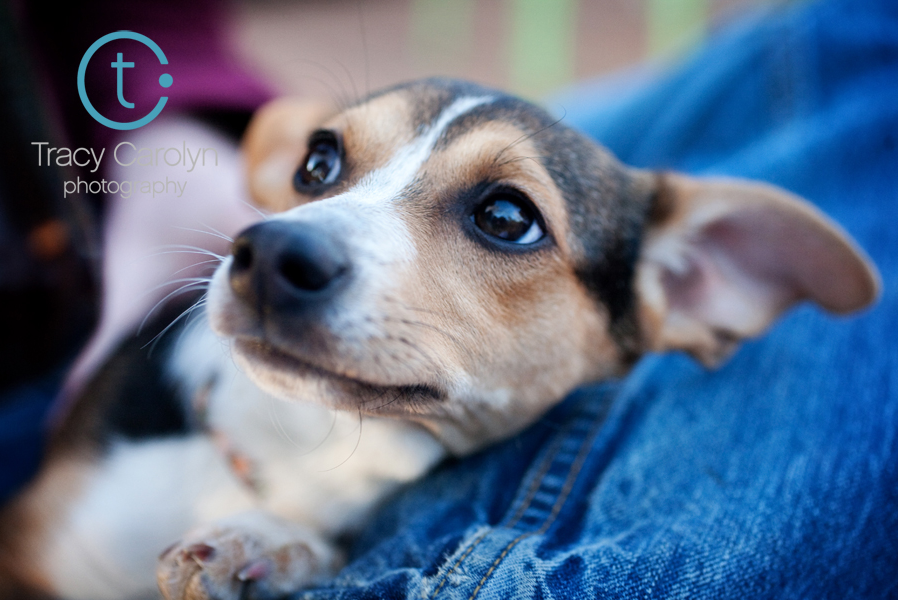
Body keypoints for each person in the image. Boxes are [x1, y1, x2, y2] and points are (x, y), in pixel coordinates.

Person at [284, 0, 897, 597]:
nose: (292, 241)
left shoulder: (664, 267)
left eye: (503, 219)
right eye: (323, 164)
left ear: (688, 283)